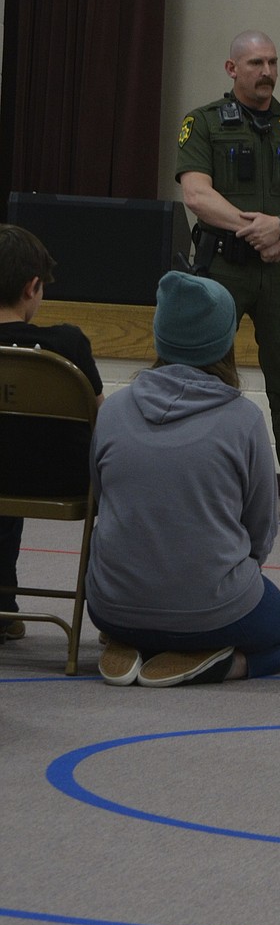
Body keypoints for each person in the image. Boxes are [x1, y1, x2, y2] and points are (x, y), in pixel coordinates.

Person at [88, 270, 280, 687]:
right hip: (211, 610)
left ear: (159, 335)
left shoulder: (112, 410)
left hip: (110, 605)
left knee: (133, 590)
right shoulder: (245, 420)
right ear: (225, 341)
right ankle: (218, 661)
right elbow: (260, 530)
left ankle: (129, 641)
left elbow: (101, 500)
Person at [176, 30, 280, 524]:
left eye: (272, 62)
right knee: (206, 376)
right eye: (255, 63)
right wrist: (257, 229)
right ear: (232, 70)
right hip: (223, 266)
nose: (266, 72)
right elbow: (197, 196)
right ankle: (195, 479)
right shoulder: (202, 124)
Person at [0, 224, 103, 643]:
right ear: (33, 286)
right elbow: (102, 420)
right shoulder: (67, 344)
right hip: (60, 480)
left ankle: (4, 608)